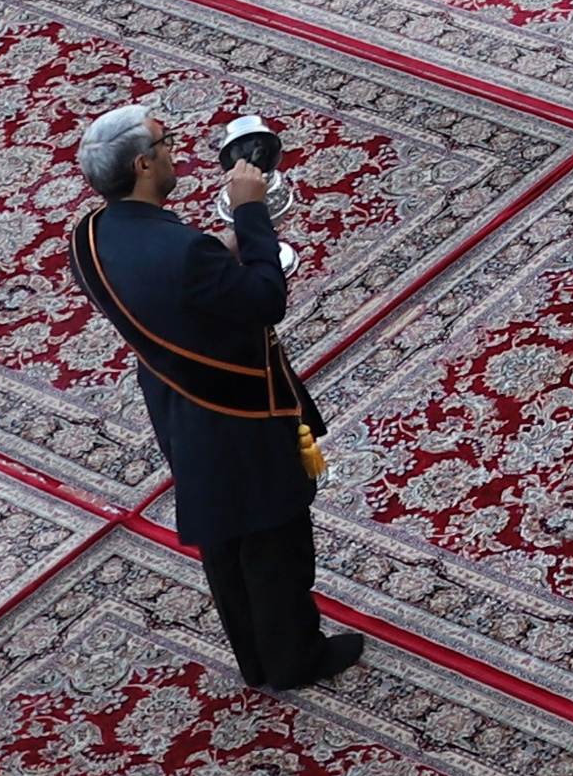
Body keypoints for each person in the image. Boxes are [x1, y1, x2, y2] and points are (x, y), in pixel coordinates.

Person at [67, 103, 361, 692]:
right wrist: (251, 213)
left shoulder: (88, 235)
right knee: (273, 539)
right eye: (167, 141)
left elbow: (171, 287)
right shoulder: (183, 251)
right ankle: (294, 659)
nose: (176, 150)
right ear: (145, 164)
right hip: (235, 407)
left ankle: (256, 657)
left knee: (227, 543)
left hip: (176, 402)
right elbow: (264, 298)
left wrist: (216, 252)